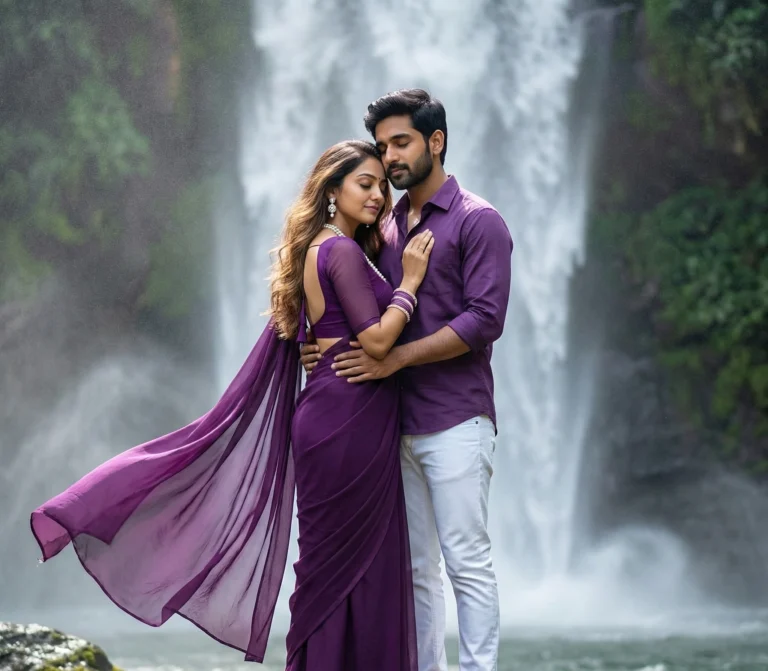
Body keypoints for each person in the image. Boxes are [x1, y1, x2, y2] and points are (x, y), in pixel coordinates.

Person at [30, 140, 435, 670]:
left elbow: (321, 332)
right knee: (351, 566)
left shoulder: (321, 248)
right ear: (332, 190)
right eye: (366, 183)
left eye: (383, 185)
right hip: (349, 421)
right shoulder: (338, 250)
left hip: (334, 414)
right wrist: (408, 284)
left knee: (331, 567)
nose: (379, 194)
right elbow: (378, 342)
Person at [301, 90, 513, 671]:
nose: (390, 158)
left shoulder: (478, 220)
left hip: (456, 417)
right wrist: (318, 348)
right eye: (383, 146)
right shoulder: (385, 225)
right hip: (391, 424)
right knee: (419, 569)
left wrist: (394, 361)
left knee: (466, 558)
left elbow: (484, 320)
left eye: (402, 143)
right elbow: (353, 303)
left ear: (435, 142)